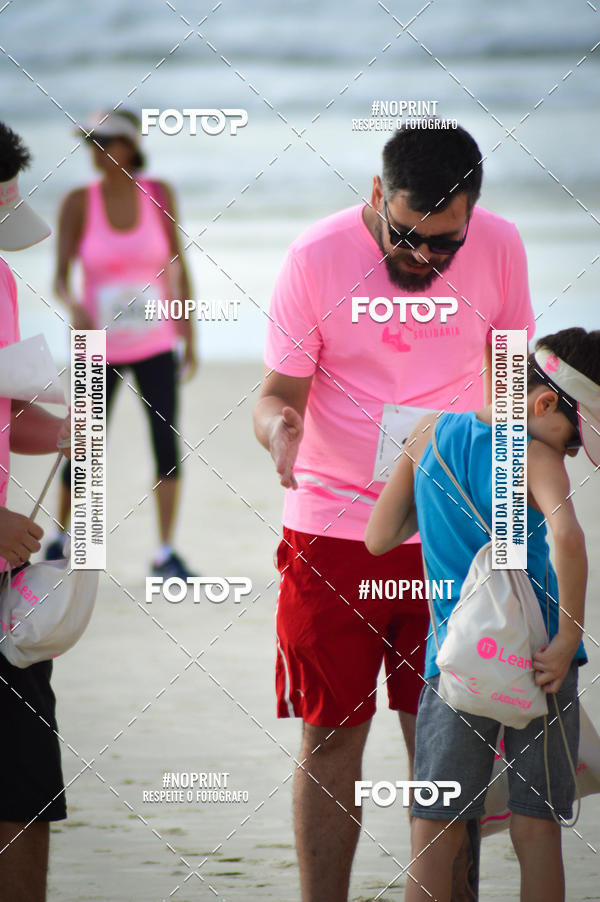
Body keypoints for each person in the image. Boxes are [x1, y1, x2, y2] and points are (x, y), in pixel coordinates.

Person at [253, 121, 536, 902]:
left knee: (449, 742)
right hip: (332, 529)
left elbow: (510, 384)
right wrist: (280, 432)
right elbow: (278, 396)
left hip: (451, 533)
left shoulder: (502, 247)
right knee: (331, 735)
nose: (428, 258)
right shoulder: (315, 257)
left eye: (447, 243)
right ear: (376, 196)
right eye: (411, 237)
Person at [365, 327, 599, 902]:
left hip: (455, 658)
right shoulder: (535, 454)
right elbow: (568, 539)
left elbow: (377, 538)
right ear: (545, 404)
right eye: (575, 440)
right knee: (535, 821)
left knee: (435, 822)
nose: (572, 452)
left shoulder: (431, 434)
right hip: (540, 658)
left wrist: (444, 501)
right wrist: (569, 636)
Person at [44, 109, 197, 579]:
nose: (97, 151)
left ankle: (165, 552)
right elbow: (60, 279)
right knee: (84, 446)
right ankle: (63, 541)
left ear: (131, 145)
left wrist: (188, 333)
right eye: (92, 143)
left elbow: (178, 266)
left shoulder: (160, 194)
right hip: (97, 346)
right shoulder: (76, 202)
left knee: (165, 446)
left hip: (155, 341)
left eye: (107, 141)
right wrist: (74, 307)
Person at [0, 121, 72, 902]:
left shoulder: (3, 283)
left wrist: (62, 429)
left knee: (26, 787)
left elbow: (9, 414)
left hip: (4, 577)